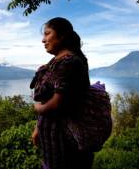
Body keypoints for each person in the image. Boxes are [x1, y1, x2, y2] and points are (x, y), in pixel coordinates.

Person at [30, 17, 94, 169]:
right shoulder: (57, 62)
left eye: (47, 34)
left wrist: (37, 107)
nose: (43, 40)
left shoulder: (69, 62)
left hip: (66, 144)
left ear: (62, 35)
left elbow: (56, 104)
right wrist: (38, 127)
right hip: (53, 143)